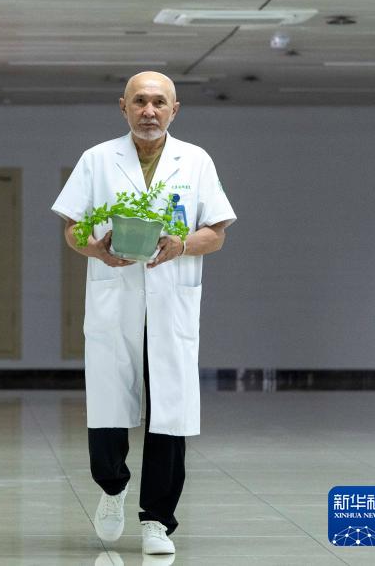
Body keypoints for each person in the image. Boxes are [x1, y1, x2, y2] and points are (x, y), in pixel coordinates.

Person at [50, 72, 236, 556]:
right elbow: (72, 227)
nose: (149, 110)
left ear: (175, 109)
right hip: (115, 299)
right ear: (123, 107)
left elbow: (216, 233)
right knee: (108, 402)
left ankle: (157, 521)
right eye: (139, 101)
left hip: (172, 301)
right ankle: (112, 487)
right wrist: (96, 248)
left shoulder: (195, 160)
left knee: (170, 410)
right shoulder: (97, 159)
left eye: (158, 102)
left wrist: (182, 244)